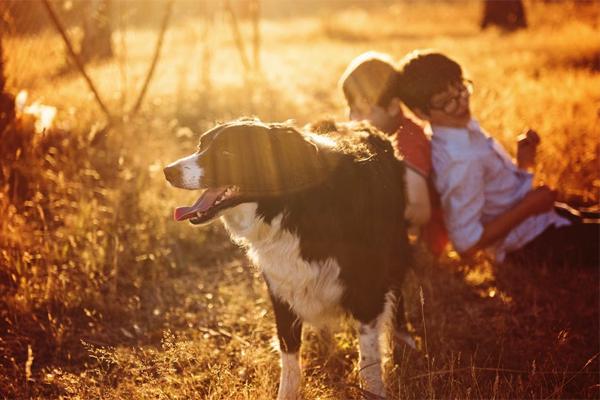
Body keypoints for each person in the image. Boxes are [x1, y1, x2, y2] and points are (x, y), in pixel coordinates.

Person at [396, 49, 599, 266]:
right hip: (536, 243)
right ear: (421, 113)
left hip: (546, 219)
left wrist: (524, 163)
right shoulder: (459, 161)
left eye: (461, 88)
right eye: (448, 101)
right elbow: (466, 244)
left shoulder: (462, 130)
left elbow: (500, 196)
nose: (462, 102)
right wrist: (529, 207)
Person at [339, 51, 448, 255]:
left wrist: (374, 215)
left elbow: (421, 211)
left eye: (363, 112)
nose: (354, 119)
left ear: (392, 107)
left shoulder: (407, 141)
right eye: (351, 109)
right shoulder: (378, 133)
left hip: (424, 240)